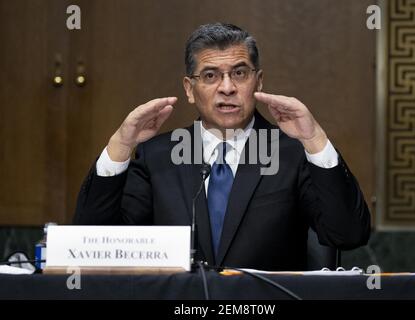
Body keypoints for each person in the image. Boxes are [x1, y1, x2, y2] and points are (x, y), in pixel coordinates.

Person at [74, 23, 370, 271]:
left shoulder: (291, 152)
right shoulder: (158, 156)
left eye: (239, 73)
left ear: (259, 83)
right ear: (190, 89)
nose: (227, 87)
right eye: (210, 75)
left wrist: (316, 139)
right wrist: (120, 146)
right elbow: (97, 241)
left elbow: (348, 234)